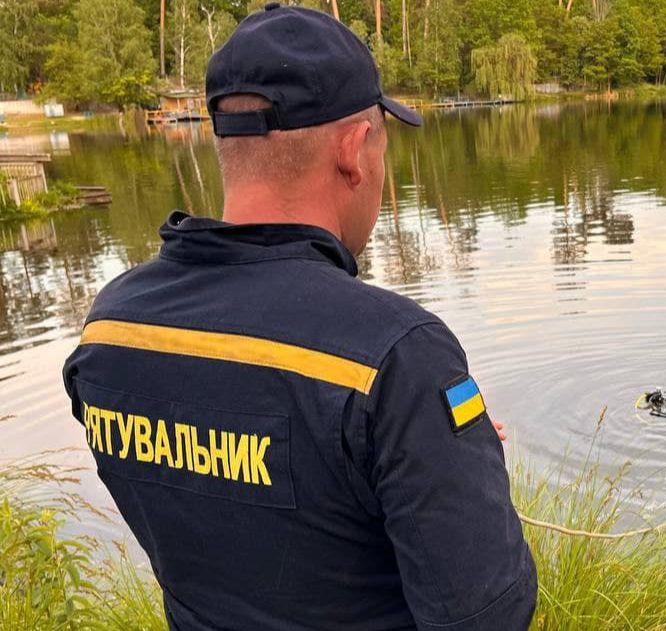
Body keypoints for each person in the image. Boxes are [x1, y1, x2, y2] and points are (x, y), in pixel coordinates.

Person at [60, 4, 537, 630]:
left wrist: (426, 461)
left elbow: (248, 510)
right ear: (356, 151)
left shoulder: (112, 330)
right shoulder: (397, 354)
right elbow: (487, 615)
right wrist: (470, 474)